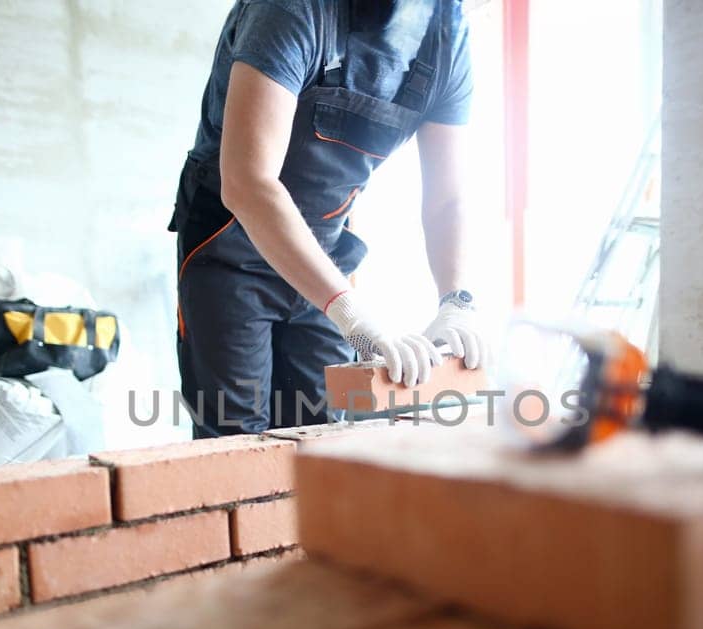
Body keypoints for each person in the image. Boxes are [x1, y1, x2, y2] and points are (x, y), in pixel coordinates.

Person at [169, 0, 490, 437]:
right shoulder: (293, 11)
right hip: (228, 251)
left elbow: (448, 197)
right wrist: (353, 319)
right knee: (235, 440)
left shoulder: (447, 36)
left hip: (324, 252)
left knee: (321, 434)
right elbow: (247, 183)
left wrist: (457, 301)